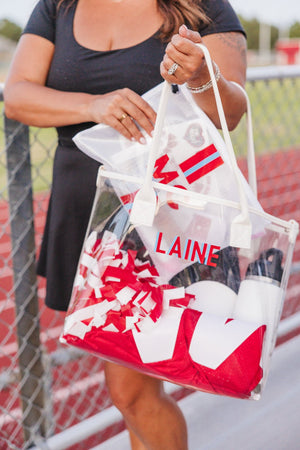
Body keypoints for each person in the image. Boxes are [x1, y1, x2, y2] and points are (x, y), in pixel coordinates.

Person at [4, 1, 247, 448]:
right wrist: (94, 105)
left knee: (131, 391)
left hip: (167, 216)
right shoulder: (59, 6)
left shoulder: (203, 5)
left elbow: (230, 113)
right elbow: (17, 96)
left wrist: (200, 74)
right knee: (132, 391)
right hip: (87, 211)